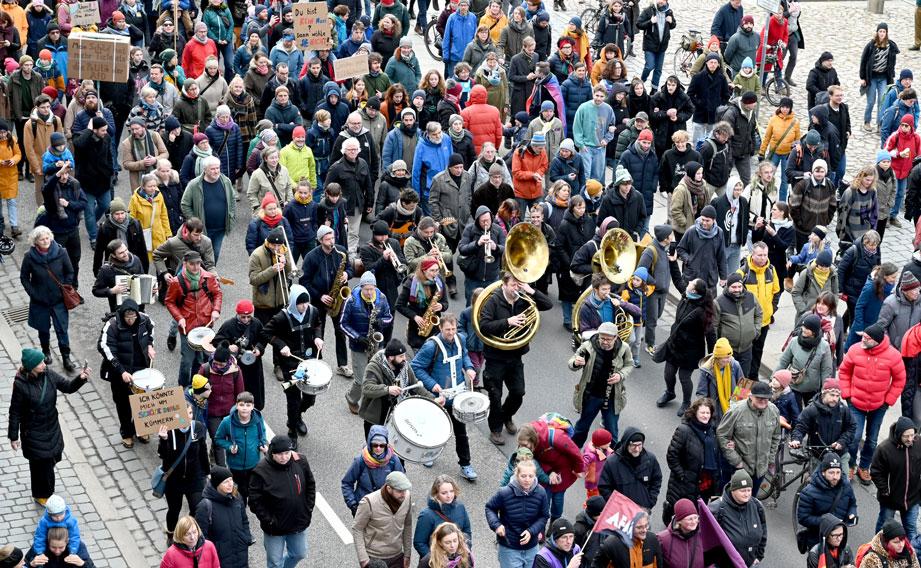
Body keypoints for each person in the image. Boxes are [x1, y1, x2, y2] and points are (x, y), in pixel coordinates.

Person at [478, 271, 553, 445]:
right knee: (495, 396)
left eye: (519, 285)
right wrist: (508, 322)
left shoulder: (523, 299)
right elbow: (484, 326)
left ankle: (506, 416)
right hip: (495, 357)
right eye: (513, 285)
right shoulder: (493, 301)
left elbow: (548, 305)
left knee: (518, 392)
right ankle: (495, 430)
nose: (516, 288)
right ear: (504, 284)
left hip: (515, 355)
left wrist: (530, 290)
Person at [8, 348, 88, 505]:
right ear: (31, 367)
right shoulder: (20, 385)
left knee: (52, 459)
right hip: (33, 432)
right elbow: (15, 412)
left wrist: (81, 378)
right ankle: (42, 494)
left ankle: (44, 490)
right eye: (40, 363)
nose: (44, 364)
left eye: (43, 361)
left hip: (51, 427)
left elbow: (68, 387)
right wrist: (13, 436)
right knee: (41, 466)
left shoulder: (49, 375)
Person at [412, 314, 478, 477]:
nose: (451, 332)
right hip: (440, 396)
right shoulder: (430, 346)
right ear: (440, 328)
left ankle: (465, 464)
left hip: (458, 396)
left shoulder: (461, 339)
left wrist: (469, 368)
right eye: (447, 329)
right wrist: (432, 385)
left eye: (453, 329)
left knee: (461, 432)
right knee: (436, 427)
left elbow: (464, 356)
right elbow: (415, 366)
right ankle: (429, 454)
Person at [841, 323, 907, 485]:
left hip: (878, 405)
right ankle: (850, 465)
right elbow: (844, 371)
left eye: (867, 338)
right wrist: (847, 395)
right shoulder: (855, 350)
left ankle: (864, 467)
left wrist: (888, 401)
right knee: (855, 437)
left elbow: (900, 380)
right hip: (856, 402)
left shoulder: (893, 356)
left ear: (877, 341)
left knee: (871, 439)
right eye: (863, 336)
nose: (863, 340)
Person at [264, 284, 323, 444]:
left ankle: (297, 417)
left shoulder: (312, 311)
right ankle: (292, 429)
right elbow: (266, 333)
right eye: (301, 303)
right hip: (291, 364)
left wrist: (318, 336)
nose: (304, 306)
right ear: (293, 302)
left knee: (310, 399)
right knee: (293, 399)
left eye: (306, 302)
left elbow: (317, 324)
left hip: (310, 362)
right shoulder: (281, 317)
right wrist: (281, 345)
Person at [249, 434, 317, 568]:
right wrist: (269, 520)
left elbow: (310, 484)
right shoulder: (261, 471)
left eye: (287, 453)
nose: (284, 457)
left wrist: (308, 508)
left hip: (298, 522)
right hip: (274, 528)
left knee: (299, 553)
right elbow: (254, 501)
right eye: (279, 454)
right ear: (272, 453)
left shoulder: (300, 461)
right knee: (275, 562)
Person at [97, 299, 155, 448]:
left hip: (141, 369)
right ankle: (127, 434)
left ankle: (141, 429)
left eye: (133, 317)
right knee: (123, 405)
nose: (130, 320)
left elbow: (151, 331)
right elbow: (105, 348)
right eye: (127, 318)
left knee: (142, 402)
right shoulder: (112, 325)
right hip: (120, 373)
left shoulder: (144, 319)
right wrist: (121, 371)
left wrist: (149, 345)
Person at [657, 276, 717, 416]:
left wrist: (713, 356)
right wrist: (672, 261)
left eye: (692, 283)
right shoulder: (686, 296)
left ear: (695, 290)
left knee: (684, 378)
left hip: (690, 351)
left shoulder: (702, 312)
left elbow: (710, 334)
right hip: (675, 345)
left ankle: (686, 402)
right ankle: (670, 392)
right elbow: (678, 280)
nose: (688, 283)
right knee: (669, 374)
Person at [20, 226, 77, 370]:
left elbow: (70, 271)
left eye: (47, 238)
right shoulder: (29, 257)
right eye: (42, 239)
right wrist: (33, 294)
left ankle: (66, 358)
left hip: (59, 301)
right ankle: (46, 352)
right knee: (43, 329)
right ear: (35, 242)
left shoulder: (61, 252)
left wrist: (66, 286)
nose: (45, 241)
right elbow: (24, 278)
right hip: (40, 301)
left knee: (62, 330)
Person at [164, 250, 223, 388]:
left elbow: (217, 294)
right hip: (187, 326)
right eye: (192, 264)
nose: (196, 267)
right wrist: (179, 318)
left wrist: (216, 310)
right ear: (185, 264)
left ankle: (195, 384)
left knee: (201, 358)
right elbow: (169, 301)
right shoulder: (177, 282)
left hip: (205, 325)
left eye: (198, 263)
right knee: (187, 361)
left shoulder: (208, 277)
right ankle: (183, 386)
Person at [569, 321, 632, 448]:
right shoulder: (587, 346)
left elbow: (629, 365)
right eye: (602, 338)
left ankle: (612, 459)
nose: (604, 342)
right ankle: (573, 452)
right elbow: (572, 362)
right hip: (592, 395)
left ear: (616, 337)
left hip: (612, 396)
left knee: (612, 432)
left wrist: (620, 375)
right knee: (582, 427)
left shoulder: (624, 348)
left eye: (608, 339)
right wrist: (576, 362)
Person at [299, 225, 353, 375]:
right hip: (319, 299)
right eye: (328, 239)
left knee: (340, 332)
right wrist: (319, 296)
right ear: (320, 240)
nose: (331, 242)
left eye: (333, 238)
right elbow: (304, 281)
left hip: (338, 298)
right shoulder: (311, 257)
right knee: (318, 332)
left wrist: (347, 274)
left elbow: (350, 268)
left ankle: (342, 365)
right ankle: (318, 362)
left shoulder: (341, 251)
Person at [342, 272, 395, 414]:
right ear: (361, 287)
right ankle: (352, 398)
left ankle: (372, 400)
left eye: (372, 289)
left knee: (377, 375)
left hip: (376, 344)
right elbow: (343, 323)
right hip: (358, 345)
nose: (370, 292)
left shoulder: (381, 298)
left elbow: (389, 317)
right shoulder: (352, 300)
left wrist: (381, 322)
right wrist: (357, 337)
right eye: (366, 289)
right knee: (360, 380)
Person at [158, 403, 210, 546]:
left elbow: (203, 450)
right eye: (183, 414)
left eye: (190, 413)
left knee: (197, 508)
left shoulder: (198, 427)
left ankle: (188, 531)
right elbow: (163, 455)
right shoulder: (169, 430)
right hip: (174, 480)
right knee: (174, 510)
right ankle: (171, 533)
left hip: (195, 478)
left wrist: (207, 472)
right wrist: (163, 440)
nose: (187, 417)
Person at [662, 398, 720, 525]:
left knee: (695, 513)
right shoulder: (683, 430)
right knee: (678, 513)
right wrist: (682, 475)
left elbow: (715, 455)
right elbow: (672, 455)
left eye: (708, 413)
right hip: (685, 483)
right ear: (695, 413)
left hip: (705, 482)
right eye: (702, 412)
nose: (705, 416)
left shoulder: (712, 430)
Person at [485, 460, 549, 568]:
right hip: (509, 547)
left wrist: (531, 531)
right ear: (517, 475)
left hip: (532, 547)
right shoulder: (504, 493)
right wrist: (496, 525)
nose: (527, 480)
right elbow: (490, 508)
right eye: (523, 476)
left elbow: (544, 516)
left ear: (535, 476)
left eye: (530, 476)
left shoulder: (541, 492)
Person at [717, 381, 781, 488]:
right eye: (759, 398)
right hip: (739, 468)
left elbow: (776, 436)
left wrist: (770, 459)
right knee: (732, 500)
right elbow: (722, 435)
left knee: (751, 500)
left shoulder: (774, 410)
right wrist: (737, 462)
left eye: (766, 398)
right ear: (751, 396)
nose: (763, 401)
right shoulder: (736, 411)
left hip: (760, 470)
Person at [871, 416, 921, 541]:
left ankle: (911, 558)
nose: (910, 439)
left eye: (912, 435)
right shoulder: (884, 449)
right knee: (884, 529)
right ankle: (877, 550)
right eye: (906, 436)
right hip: (890, 499)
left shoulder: (918, 443)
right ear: (899, 435)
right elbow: (876, 472)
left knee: (911, 531)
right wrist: (885, 490)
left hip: (912, 498)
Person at [352, 471, 415, 568]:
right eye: (399, 491)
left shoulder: (407, 497)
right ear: (389, 488)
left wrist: (407, 554)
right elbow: (357, 529)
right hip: (374, 556)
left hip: (397, 555)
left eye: (405, 490)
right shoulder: (369, 502)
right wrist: (363, 559)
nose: (403, 494)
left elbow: (408, 525)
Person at [213, 391, 266, 506]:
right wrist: (229, 447)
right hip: (235, 466)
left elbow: (262, 434)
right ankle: (240, 510)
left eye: (248, 405)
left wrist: (262, 443)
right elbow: (218, 439)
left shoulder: (258, 419)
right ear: (236, 405)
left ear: (252, 406)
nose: (244, 408)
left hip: (254, 464)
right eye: (241, 405)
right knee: (240, 493)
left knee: (253, 490)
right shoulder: (227, 422)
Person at [341, 425, 405, 517]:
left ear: (386, 445)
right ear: (369, 444)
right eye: (375, 445)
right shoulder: (360, 461)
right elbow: (347, 483)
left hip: (385, 510)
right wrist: (353, 505)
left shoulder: (393, 461)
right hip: (364, 508)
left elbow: (401, 485)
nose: (378, 448)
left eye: (382, 445)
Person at [180, 156, 235, 260]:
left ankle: (210, 275)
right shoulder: (194, 184)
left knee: (215, 254)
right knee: (201, 256)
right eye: (212, 169)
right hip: (202, 230)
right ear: (205, 170)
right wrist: (194, 222)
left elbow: (232, 200)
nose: (216, 171)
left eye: (217, 168)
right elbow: (185, 204)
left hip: (220, 228)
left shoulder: (226, 181)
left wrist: (232, 216)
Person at [195, 467, 252, 568]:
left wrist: (246, 538)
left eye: (231, 479)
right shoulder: (205, 506)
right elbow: (201, 537)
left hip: (241, 552)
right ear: (217, 484)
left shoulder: (237, 496)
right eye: (226, 482)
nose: (230, 484)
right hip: (220, 557)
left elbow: (244, 520)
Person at [708, 469, 766, 566]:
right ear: (733, 490)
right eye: (742, 491)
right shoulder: (717, 508)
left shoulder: (757, 506)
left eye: (749, 490)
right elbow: (708, 540)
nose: (747, 494)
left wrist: (759, 556)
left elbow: (763, 531)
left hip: (750, 563)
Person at [39, 162, 84, 289]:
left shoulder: (73, 184)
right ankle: (60, 289)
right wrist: (58, 173)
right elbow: (47, 188)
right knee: (57, 263)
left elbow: (83, 203)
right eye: (61, 174)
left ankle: (73, 289)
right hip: (58, 232)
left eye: (66, 173)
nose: (64, 177)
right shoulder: (50, 189)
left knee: (75, 261)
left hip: (73, 230)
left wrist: (69, 204)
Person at [791, 377, 856, 463]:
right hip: (817, 454)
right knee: (815, 475)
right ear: (823, 393)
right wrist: (796, 439)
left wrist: (842, 442)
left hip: (839, 454)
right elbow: (800, 427)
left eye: (837, 396)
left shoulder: (843, 410)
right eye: (832, 395)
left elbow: (851, 427)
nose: (835, 399)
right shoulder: (811, 409)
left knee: (843, 476)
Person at [598, 427, 662, 510]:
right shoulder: (612, 462)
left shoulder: (650, 459)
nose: (637, 449)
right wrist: (616, 505)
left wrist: (650, 501)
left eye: (639, 445)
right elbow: (604, 487)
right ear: (626, 444)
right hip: (620, 512)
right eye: (633, 445)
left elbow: (656, 479)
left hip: (642, 510)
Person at [413, 475, 472, 559]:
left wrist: (465, 552)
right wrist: (436, 560)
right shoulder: (426, 515)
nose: (449, 496)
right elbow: (419, 543)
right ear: (436, 494)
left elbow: (467, 532)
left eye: (451, 491)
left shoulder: (460, 507)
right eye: (444, 493)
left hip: (458, 560)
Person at [859, 23, 900, 130]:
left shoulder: (890, 46)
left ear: (886, 33)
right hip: (871, 77)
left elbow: (892, 63)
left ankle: (880, 123)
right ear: (877, 32)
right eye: (880, 31)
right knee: (871, 101)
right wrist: (862, 77)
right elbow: (863, 61)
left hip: (883, 78)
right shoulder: (871, 45)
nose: (882, 33)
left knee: (882, 102)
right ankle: (867, 121)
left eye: (884, 31)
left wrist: (891, 77)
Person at [677, 205, 727, 290]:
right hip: (692, 278)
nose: (704, 223)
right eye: (702, 219)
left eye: (707, 221)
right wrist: (688, 260)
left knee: (709, 303)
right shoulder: (692, 231)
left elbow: (721, 256)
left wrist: (723, 276)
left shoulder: (719, 233)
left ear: (714, 220)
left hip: (709, 279)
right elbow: (680, 248)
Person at [657, 498, 705, 568]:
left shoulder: (703, 535)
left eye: (696, 517)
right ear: (679, 521)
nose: (694, 522)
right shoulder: (663, 539)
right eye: (690, 519)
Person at [23, 526, 95, 568]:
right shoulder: (39, 546)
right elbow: (24, 564)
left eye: (61, 547)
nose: (57, 551)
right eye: (53, 547)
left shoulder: (78, 546)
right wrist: (31, 564)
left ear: (67, 542)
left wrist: (83, 564)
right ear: (48, 542)